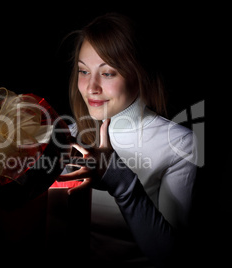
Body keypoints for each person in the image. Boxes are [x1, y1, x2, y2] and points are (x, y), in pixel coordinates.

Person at [58, 13, 198, 267]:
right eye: (83, 71)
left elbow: (175, 258)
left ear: (139, 73)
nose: (91, 87)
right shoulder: (66, 136)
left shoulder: (179, 144)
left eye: (108, 73)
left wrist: (122, 183)